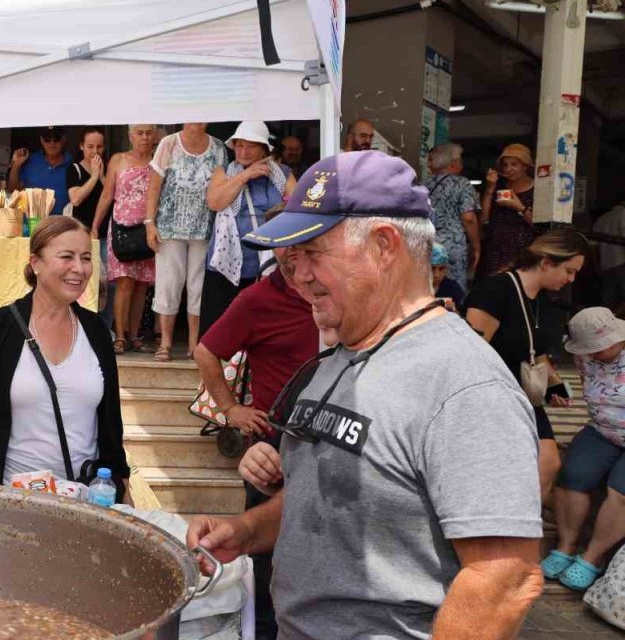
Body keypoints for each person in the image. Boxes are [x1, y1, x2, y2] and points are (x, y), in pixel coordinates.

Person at [191, 151, 544, 639]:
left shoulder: (464, 385)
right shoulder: (341, 356)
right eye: (292, 260)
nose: (299, 277)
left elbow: (504, 577)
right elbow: (323, 496)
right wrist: (249, 531)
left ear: (384, 246)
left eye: (313, 254)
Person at [192, 216, 316, 640]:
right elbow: (206, 351)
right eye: (283, 244)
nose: (292, 252)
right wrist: (230, 409)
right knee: (267, 558)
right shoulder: (257, 298)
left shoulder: (335, 291)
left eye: (302, 242)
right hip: (273, 445)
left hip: (333, 438)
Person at [0, 216, 130, 497]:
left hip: (84, 502)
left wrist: (122, 492)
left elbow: (111, 427)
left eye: (86, 258)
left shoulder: (97, 332)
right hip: (8, 502)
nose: (79, 269)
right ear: (35, 263)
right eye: (66, 257)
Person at [464, 228, 589, 499]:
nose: (572, 279)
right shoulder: (496, 290)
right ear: (546, 263)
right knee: (536, 464)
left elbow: (535, 350)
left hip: (524, 394)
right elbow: (470, 353)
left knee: (548, 463)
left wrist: (553, 386)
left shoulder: (541, 298)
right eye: (569, 271)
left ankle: (524, 530)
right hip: (494, 395)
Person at [542, 307, 625, 591]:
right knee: (572, 476)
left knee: (621, 490)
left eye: (597, 349)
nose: (591, 355)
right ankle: (565, 547)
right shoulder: (583, 358)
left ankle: (593, 557)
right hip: (603, 429)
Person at [202, 121, 297, 336]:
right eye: (239, 145)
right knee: (223, 328)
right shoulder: (224, 172)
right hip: (229, 262)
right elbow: (215, 202)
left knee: (265, 327)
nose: (243, 151)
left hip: (269, 262)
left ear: (264, 149)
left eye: (251, 146)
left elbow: (298, 206)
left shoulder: (281, 173)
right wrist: (245, 175)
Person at [143, 122, 227, 361]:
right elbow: (154, 185)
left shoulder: (219, 147)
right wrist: (150, 223)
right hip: (169, 227)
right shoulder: (168, 144)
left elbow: (222, 185)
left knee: (198, 287)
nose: (197, 119)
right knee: (168, 285)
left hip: (204, 228)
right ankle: (166, 343)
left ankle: (194, 343)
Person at [92, 124, 158, 355]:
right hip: (121, 227)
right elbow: (107, 194)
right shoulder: (118, 160)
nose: (144, 137)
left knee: (141, 284)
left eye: (149, 133)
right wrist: (95, 225)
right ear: (130, 135)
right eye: (139, 133)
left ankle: (135, 335)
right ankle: (120, 336)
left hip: (147, 229)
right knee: (124, 282)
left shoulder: (159, 161)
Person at [66, 128, 112, 328]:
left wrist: (102, 176)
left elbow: (113, 199)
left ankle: (105, 327)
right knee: (84, 282)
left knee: (108, 285)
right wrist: (93, 177)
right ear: (81, 146)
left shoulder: (110, 169)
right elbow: (75, 199)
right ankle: (82, 326)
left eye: (99, 146)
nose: (95, 151)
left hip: (106, 235)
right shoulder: (74, 169)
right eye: (90, 146)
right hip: (82, 237)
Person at [425, 142, 482, 288]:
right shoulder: (462, 184)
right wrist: (476, 247)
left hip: (427, 244)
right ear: (454, 162)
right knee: (454, 290)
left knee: (429, 287)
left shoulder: (423, 185)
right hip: (453, 246)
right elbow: (468, 218)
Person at [478, 144, 536, 278]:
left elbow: (539, 225)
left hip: (522, 252)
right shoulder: (500, 186)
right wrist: (490, 189)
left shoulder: (537, 189)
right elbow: (484, 218)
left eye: (514, 164)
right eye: (505, 165)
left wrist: (519, 207)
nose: (508, 169)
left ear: (525, 166)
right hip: (496, 250)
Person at [7, 126, 73, 215]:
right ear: (41, 140)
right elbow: (13, 190)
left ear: (63, 139)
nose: (52, 143)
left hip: (60, 224)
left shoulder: (73, 165)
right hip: (32, 224)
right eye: (47, 139)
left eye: (56, 139)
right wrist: (16, 165)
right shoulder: (31, 160)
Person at [593, 199, 625, 310]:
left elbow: (593, 245)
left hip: (605, 265)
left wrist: (597, 266)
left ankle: (607, 324)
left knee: (608, 302)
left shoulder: (602, 218)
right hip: (621, 263)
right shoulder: (623, 214)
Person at [431, 242, 466, 310]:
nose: (436, 275)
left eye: (441, 269)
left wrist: (453, 310)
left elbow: (462, 317)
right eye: (432, 268)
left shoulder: (452, 288)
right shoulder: (413, 289)